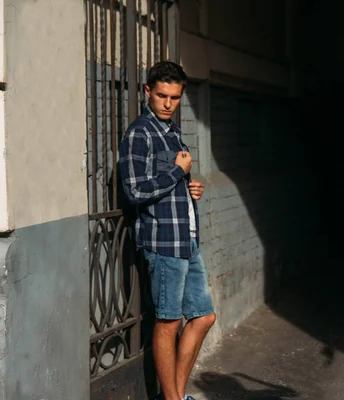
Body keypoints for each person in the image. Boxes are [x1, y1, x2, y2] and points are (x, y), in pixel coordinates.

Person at [118, 60, 216, 400]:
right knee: (169, 322)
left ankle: (173, 396)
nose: (167, 103)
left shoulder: (173, 133)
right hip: (161, 241)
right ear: (148, 91)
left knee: (203, 317)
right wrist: (177, 173)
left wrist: (192, 188)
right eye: (161, 95)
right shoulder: (139, 134)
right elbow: (134, 191)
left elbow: (170, 182)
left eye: (174, 97)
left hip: (186, 237)